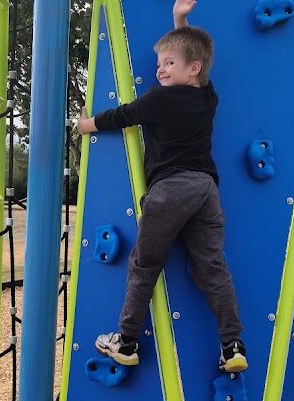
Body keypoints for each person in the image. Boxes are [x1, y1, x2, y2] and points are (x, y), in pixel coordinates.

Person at [76, 0, 248, 373]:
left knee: (145, 264)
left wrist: (87, 125)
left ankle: (126, 339)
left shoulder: (158, 98)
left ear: (193, 68)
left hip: (170, 189)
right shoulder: (208, 98)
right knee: (211, 267)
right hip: (206, 191)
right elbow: (193, 56)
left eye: (169, 63)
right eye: (160, 64)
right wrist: (180, 20)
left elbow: (125, 115)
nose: (160, 69)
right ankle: (232, 344)